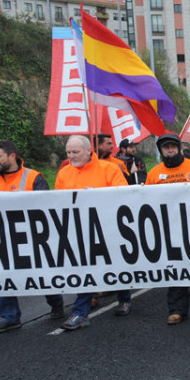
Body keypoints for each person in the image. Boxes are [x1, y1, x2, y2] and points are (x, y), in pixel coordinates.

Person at [0, 140, 66, 332]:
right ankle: (10, 317)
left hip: (31, 236)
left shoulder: (33, 176)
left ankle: (56, 303)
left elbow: (46, 204)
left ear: (12, 156)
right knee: (2, 275)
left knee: (41, 274)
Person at [54, 135, 129, 330]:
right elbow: (56, 201)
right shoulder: (64, 173)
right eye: (68, 152)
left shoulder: (110, 169)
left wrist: (98, 196)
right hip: (78, 231)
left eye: (75, 152)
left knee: (117, 265)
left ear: (89, 151)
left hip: (108, 228)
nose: (71, 156)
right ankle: (80, 312)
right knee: (84, 269)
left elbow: (124, 196)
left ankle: (124, 297)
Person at [144, 134, 190, 324]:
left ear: (179, 148)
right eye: (166, 148)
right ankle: (177, 310)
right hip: (170, 229)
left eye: (172, 147)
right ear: (161, 151)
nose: (170, 150)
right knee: (175, 268)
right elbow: (146, 200)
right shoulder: (154, 174)